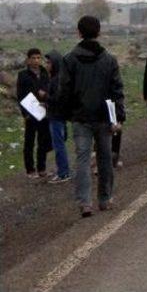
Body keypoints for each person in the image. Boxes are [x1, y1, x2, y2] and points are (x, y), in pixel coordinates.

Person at [58, 16, 125, 217]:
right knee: (105, 158)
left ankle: (85, 203)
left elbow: (64, 91)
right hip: (104, 118)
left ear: (78, 33)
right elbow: (117, 90)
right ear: (99, 32)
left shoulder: (69, 59)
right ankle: (105, 199)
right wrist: (118, 117)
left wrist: (66, 113)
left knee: (83, 159)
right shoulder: (109, 59)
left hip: (80, 118)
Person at [16, 48, 51, 179]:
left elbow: (49, 90)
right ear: (28, 60)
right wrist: (25, 114)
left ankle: (42, 168)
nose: (36, 60)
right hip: (30, 113)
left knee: (43, 141)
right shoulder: (23, 75)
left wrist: (47, 102)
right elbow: (20, 96)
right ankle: (30, 170)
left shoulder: (45, 73)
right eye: (33, 58)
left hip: (43, 112)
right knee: (29, 142)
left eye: (38, 58)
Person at [44, 50, 70, 183]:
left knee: (58, 145)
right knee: (60, 144)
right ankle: (63, 170)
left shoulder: (57, 79)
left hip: (57, 117)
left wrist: (45, 97)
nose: (47, 65)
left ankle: (63, 173)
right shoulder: (56, 78)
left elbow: (58, 99)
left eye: (49, 62)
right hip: (57, 115)